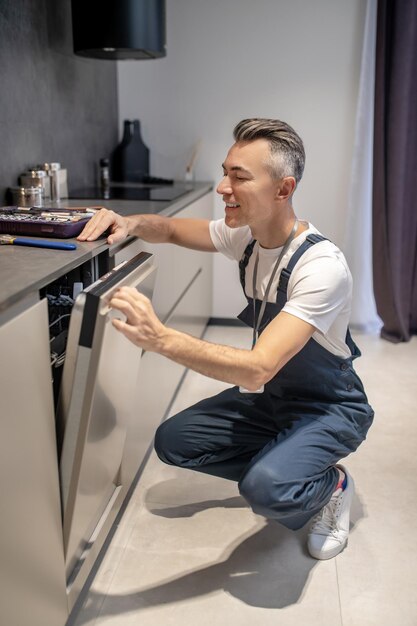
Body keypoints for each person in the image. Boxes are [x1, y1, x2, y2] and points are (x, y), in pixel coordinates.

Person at [78, 118, 374, 560]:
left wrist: (161, 338)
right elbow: (174, 230)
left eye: (239, 177)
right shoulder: (248, 239)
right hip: (273, 399)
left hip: (327, 406)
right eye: (225, 171)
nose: (222, 187)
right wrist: (131, 221)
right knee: (174, 443)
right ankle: (286, 465)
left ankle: (330, 486)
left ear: (283, 189)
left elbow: (257, 367)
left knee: (265, 488)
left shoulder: (321, 267)